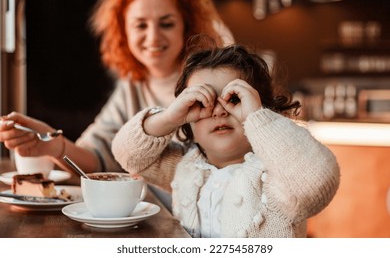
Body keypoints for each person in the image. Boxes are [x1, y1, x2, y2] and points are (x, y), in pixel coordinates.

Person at [0, 0, 233, 174]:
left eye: (166, 24)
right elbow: (98, 156)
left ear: (186, 26)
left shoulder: (210, 82)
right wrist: (53, 145)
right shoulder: (132, 84)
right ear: (124, 33)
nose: (153, 37)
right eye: (140, 26)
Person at [112, 40, 340, 238]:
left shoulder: (275, 178)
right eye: (201, 102)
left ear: (263, 111)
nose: (219, 111)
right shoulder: (185, 165)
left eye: (235, 100)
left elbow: (317, 181)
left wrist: (256, 117)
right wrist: (169, 116)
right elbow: (128, 154)